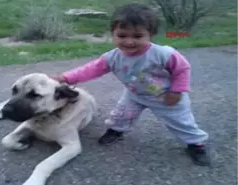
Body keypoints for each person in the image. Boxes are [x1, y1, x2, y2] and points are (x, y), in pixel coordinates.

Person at [50, 3, 211, 166]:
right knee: (121, 115)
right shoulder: (112, 57)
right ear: (112, 33)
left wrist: (177, 91)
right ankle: (116, 131)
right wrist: (65, 78)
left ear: (150, 34)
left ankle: (196, 144)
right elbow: (90, 69)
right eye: (122, 35)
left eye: (137, 36)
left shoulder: (163, 54)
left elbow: (182, 69)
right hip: (135, 95)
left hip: (168, 97)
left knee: (182, 122)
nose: (129, 41)